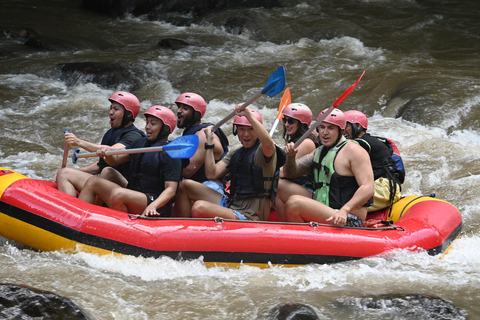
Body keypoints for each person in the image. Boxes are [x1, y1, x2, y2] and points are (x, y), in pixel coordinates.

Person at [173, 105, 285, 221]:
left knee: (199, 206)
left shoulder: (263, 151)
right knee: (185, 185)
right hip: (231, 205)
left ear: (257, 130)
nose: (246, 134)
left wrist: (248, 115)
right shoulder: (236, 151)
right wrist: (209, 144)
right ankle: (179, 228)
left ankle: (188, 234)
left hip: (249, 215)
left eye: (251, 129)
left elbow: (269, 144)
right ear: (236, 130)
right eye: (242, 129)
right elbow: (212, 174)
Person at [78, 106, 182, 216]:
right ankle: (78, 219)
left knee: (118, 194)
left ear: (165, 129)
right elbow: (116, 160)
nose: (147, 127)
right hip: (134, 193)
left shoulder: (171, 152)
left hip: (156, 202)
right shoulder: (140, 144)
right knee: (93, 182)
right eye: (147, 123)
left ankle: (121, 226)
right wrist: (106, 154)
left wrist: (154, 205)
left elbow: (171, 190)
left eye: (153, 123)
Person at [283, 108, 374, 227]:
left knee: (294, 203)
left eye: (330, 128)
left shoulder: (354, 151)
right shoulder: (319, 152)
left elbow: (368, 188)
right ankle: (292, 232)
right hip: (328, 210)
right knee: (280, 186)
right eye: (322, 127)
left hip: (349, 217)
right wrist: (290, 157)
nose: (325, 132)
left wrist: (345, 210)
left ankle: (304, 238)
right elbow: (290, 173)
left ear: (341, 130)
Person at [56, 91, 145, 197]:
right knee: (63, 173)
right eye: (111, 108)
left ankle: (76, 207)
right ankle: (68, 207)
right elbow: (100, 165)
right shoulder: (111, 133)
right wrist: (76, 171)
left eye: (116, 109)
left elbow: (113, 151)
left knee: (107, 172)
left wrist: (79, 142)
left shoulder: (134, 136)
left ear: (129, 114)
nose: (111, 112)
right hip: (105, 182)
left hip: (123, 190)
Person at [344, 110, 404, 212]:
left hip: (384, 190)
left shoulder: (362, 143)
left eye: (345, 126)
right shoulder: (370, 140)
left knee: (337, 203)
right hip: (385, 187)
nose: (342, 130)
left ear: (358, 126)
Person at [175, 92, 229, 194]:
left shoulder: (203, 136)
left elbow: (188, 171)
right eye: (179, 107)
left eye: (185, 108)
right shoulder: (191, 133)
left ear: (197, 114)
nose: (179, 111)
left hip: (211, 186)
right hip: (196, 183)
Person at [274, 103, 319, 221]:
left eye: (291, 121)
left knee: (276, 184)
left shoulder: (307, 143)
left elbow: (283, 172)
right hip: (299, 188)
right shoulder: (297, 140)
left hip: (310, 191)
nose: (287, 124)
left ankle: (287, 226)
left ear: (302, 123)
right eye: (285, 120)